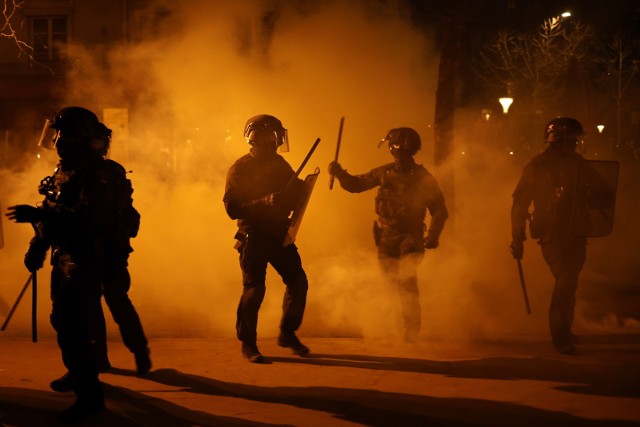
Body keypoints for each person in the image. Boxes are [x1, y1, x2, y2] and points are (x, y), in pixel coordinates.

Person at [6, 106, 148, 421]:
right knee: (63, 322)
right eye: (54, 134)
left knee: (76, 326)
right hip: (67, 258)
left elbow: (89, 219)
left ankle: (90, 395)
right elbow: (52, 208)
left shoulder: (99, 174)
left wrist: (40, 215)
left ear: (78, 138)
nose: (56, 140)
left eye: (62, 134)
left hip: (89, 259)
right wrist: (37, 247)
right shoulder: (65, 170)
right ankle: (79, 370)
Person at [328, 127, 448, 342]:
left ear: (396, 147)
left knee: (407, 282)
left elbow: (439, 210)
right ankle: (395, 326)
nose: (394, 151)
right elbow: (357, 185)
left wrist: (432, 236)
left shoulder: (423, 178)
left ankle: (411, 332)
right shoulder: (384, 172)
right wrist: (340, 174)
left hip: (410, 236)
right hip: (386, 236)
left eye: (394, 145)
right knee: (390, 282)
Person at [223, 114, 310, 363]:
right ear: (256, 138)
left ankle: (287, 333)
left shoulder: (280, 165)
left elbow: (292, 199)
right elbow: (232, 207)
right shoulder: (240, 168)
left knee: (298, 281)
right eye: (270, 137)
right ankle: (248, 344)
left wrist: (301, 189)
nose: (275, 142)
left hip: (278, 233)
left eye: (276, 137)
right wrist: (264, 202)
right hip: (254, 236)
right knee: (254, 289)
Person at [510, 117, 595, 355]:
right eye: (573, 140)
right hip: (552, 233)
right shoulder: (538, 166)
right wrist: (517, 238)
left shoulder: (579, 164)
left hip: (576, 232)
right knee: (566, 278)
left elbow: (601, 190)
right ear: (561, 140)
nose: (576, 145)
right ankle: (559, 337)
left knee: (571, 282)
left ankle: (565, 329)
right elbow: (520, 205)